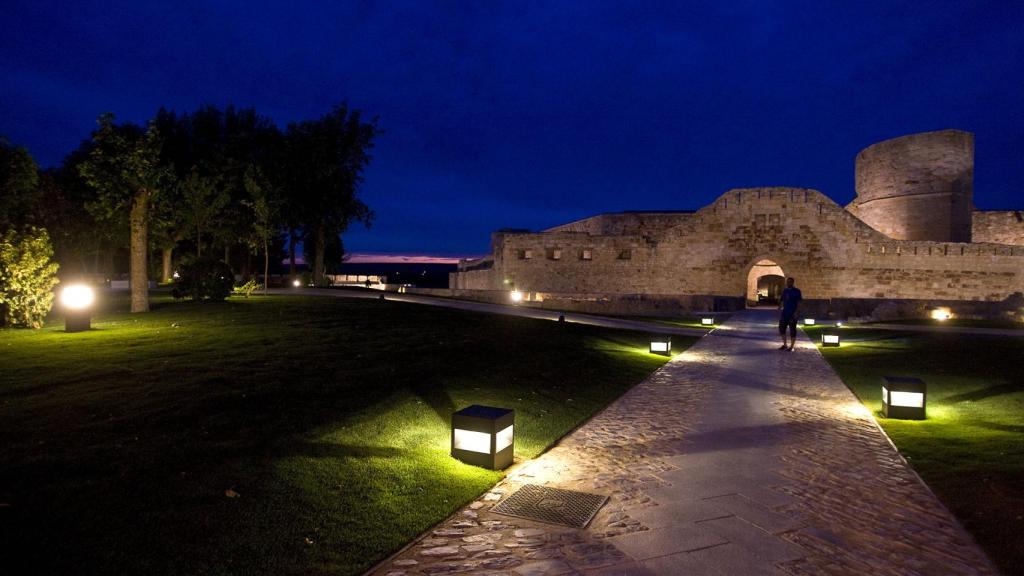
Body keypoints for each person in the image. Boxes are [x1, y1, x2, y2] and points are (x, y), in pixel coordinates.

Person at [778, 277, 802, 351]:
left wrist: (796, 312)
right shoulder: (785, 291)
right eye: (787, 282)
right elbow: (782, 300)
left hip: (792, 314)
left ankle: (792, 347)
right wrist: (780, 307)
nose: (788, 283)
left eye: (790, 282)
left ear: (792, 282)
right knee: (781, 328)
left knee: (792, 330)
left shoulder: (797, 291)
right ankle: (785, 345)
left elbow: (799, 303)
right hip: (785, 313)